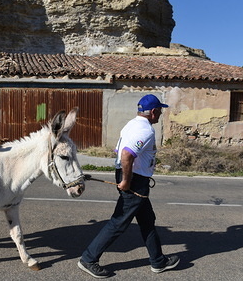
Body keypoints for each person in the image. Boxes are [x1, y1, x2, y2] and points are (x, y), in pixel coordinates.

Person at [77, 94, 180, 278]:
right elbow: (126, 154)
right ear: (154, 112)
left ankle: (158, 261)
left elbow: (117, 151)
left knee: (147, 220)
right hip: (135, 181)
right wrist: (126, 180)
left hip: (133, 178)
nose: (160, 114)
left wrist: (124, 175)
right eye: (160, 111)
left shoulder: (131, 124)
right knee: (118, 222)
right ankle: (88, 259)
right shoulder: (145, 131)